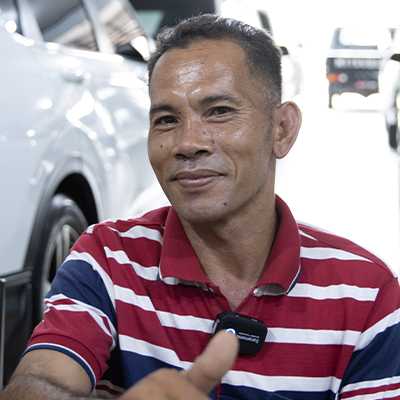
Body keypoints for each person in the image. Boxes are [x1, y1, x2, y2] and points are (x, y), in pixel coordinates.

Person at [2, 14, 400, 400]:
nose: (188, 143)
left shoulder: (365, 295)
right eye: (166, 119)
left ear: (281, 129)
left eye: (219, 112)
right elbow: (40, 380)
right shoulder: (106, 260)